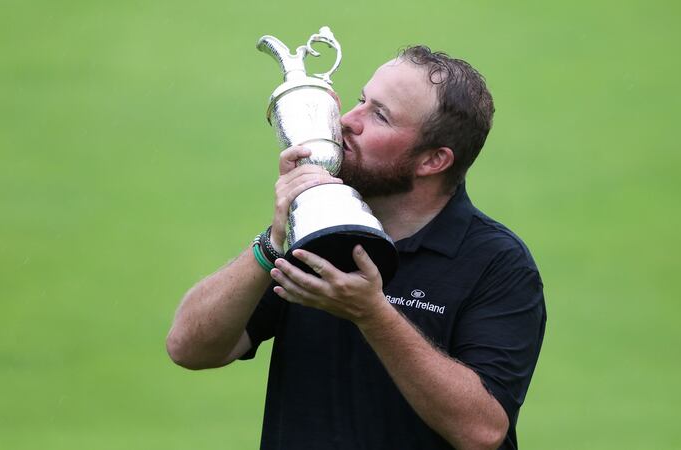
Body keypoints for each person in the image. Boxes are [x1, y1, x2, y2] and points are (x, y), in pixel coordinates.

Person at [167, 45, 546, 450]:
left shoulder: (497, 263)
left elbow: (482, 432)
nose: (348, 120)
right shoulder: (314, 233)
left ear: (433, 160)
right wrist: (274, 241)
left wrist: (372, 314)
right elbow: (189, 348)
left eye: (379, 115)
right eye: (362, 100)